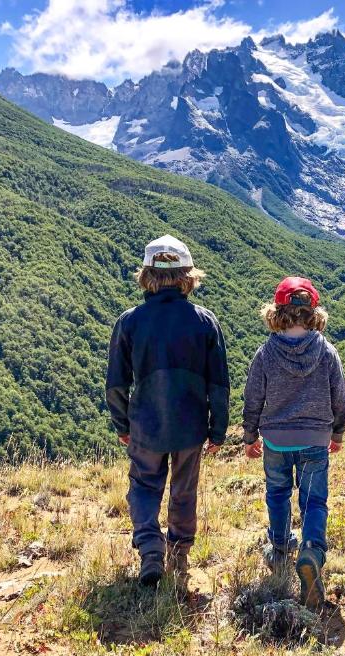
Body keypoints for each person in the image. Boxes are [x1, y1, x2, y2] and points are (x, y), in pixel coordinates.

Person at [106, 234, 229, 590]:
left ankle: (150, 551)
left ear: (147, 276)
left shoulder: (130, 322)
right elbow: (219, 383)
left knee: (144, 485)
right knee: (184, 489)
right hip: (190, 425)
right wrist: (218, 429)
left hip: (145, 424)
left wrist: (122, 424)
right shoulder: (204, 321)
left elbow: (116, 382)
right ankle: (179, 551)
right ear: (188, 277)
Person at [242, 277, 345, 610]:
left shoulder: (265, 353)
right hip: (315, 438)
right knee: (314, 500)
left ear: (277, 313)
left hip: (276, 440)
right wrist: (337, 433)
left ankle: (279, 548)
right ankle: (312, 551)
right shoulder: (326, 352)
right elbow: (339, 397)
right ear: (314, 313)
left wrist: (250, 435)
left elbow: (253, 398)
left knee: (277, 494)